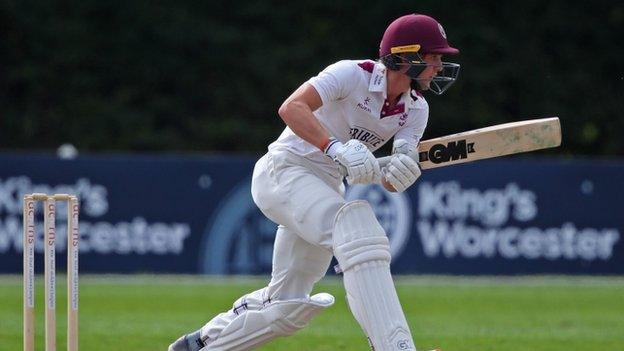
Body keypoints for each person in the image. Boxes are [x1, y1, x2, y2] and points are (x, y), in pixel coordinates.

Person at [169, 13, 460, 351]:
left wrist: (398, 173)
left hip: (325, 187)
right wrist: (334, 147)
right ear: (405, 56)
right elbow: (292, 107)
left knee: (287, 307)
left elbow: (395, 172)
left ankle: (200, 345)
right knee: (357, 227)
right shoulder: (352, 75)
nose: (439, 66)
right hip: (285, 171)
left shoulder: (416, 109)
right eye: (434, 57)